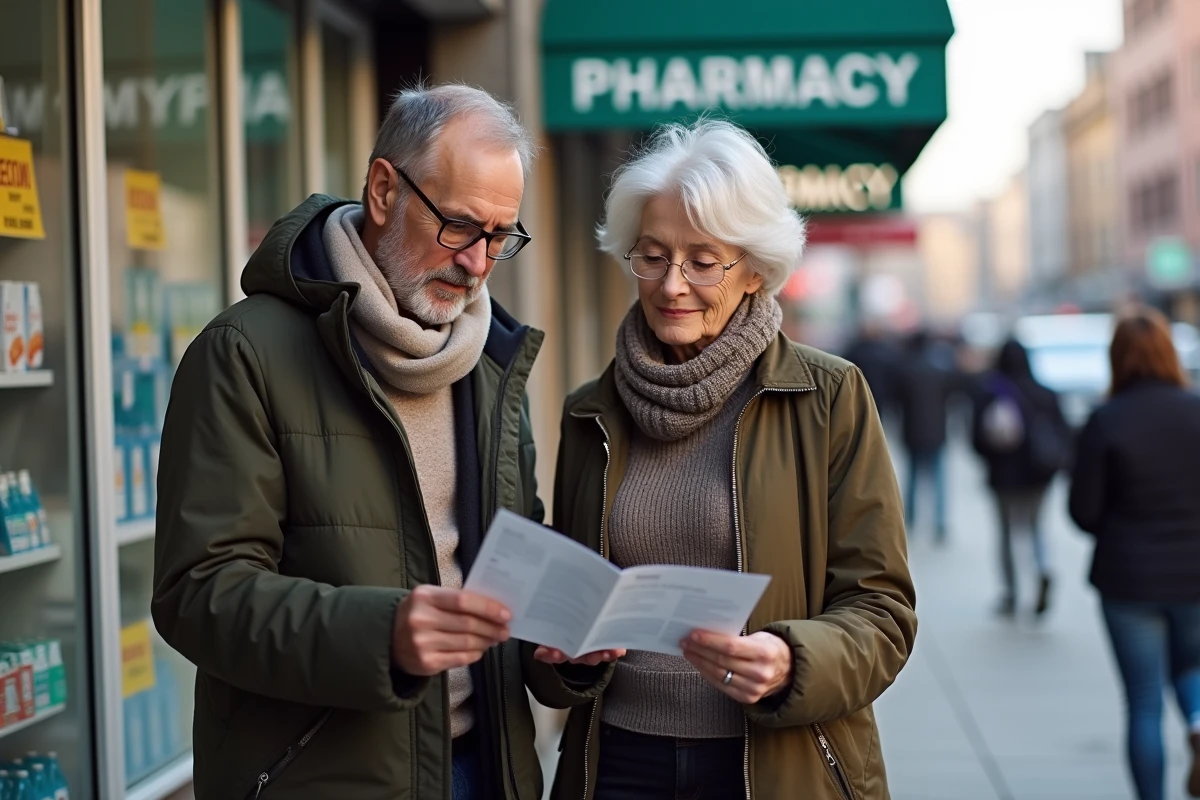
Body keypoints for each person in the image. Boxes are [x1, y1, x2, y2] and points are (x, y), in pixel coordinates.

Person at [151, 83, 615, 800]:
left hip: (490, 770)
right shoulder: (243, 352)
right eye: (460, 226)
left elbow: (506, 569)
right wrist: (383, 636)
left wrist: (564, 650)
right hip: (325, 779)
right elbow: (198, 593)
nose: (479, 262)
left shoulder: (491, 361)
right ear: (381, 189)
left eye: (501, 236)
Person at [543, 120, 916, 800]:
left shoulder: (829, 396)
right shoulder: (588, 412)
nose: (672, 285)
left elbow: (883, 611)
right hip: (617, 764)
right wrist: (565, 660)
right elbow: (557, 631)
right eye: (651, 256)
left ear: (754, 269)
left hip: (778, 765)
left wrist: (792, 660)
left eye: (702, 260)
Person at [1068, 307, 1200, 800]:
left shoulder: (1106, 420)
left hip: (1130, 580)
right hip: (1195, 576)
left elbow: (1084, 511)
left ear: (1116, 358)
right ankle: (1196, 721)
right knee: (1191, 667)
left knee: (1142, 701)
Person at [971, 339, 1068, 617]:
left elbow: (976, 440)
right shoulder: (1046, 393)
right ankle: (1043, 569)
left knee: (1006, 533)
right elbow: (1062, 434)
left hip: (1003, 477)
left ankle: (1011, 594)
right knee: (1037, 528)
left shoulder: (989, 393)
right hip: (1039, 475)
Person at [896, 329, 957, 543]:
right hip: (936, 432)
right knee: (938, 479)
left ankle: (910, 521)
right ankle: (939, 523)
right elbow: (951, 397)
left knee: (912, 477)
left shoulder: (905, 371)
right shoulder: (938, 371)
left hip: (912, 432)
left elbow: (897, 401)